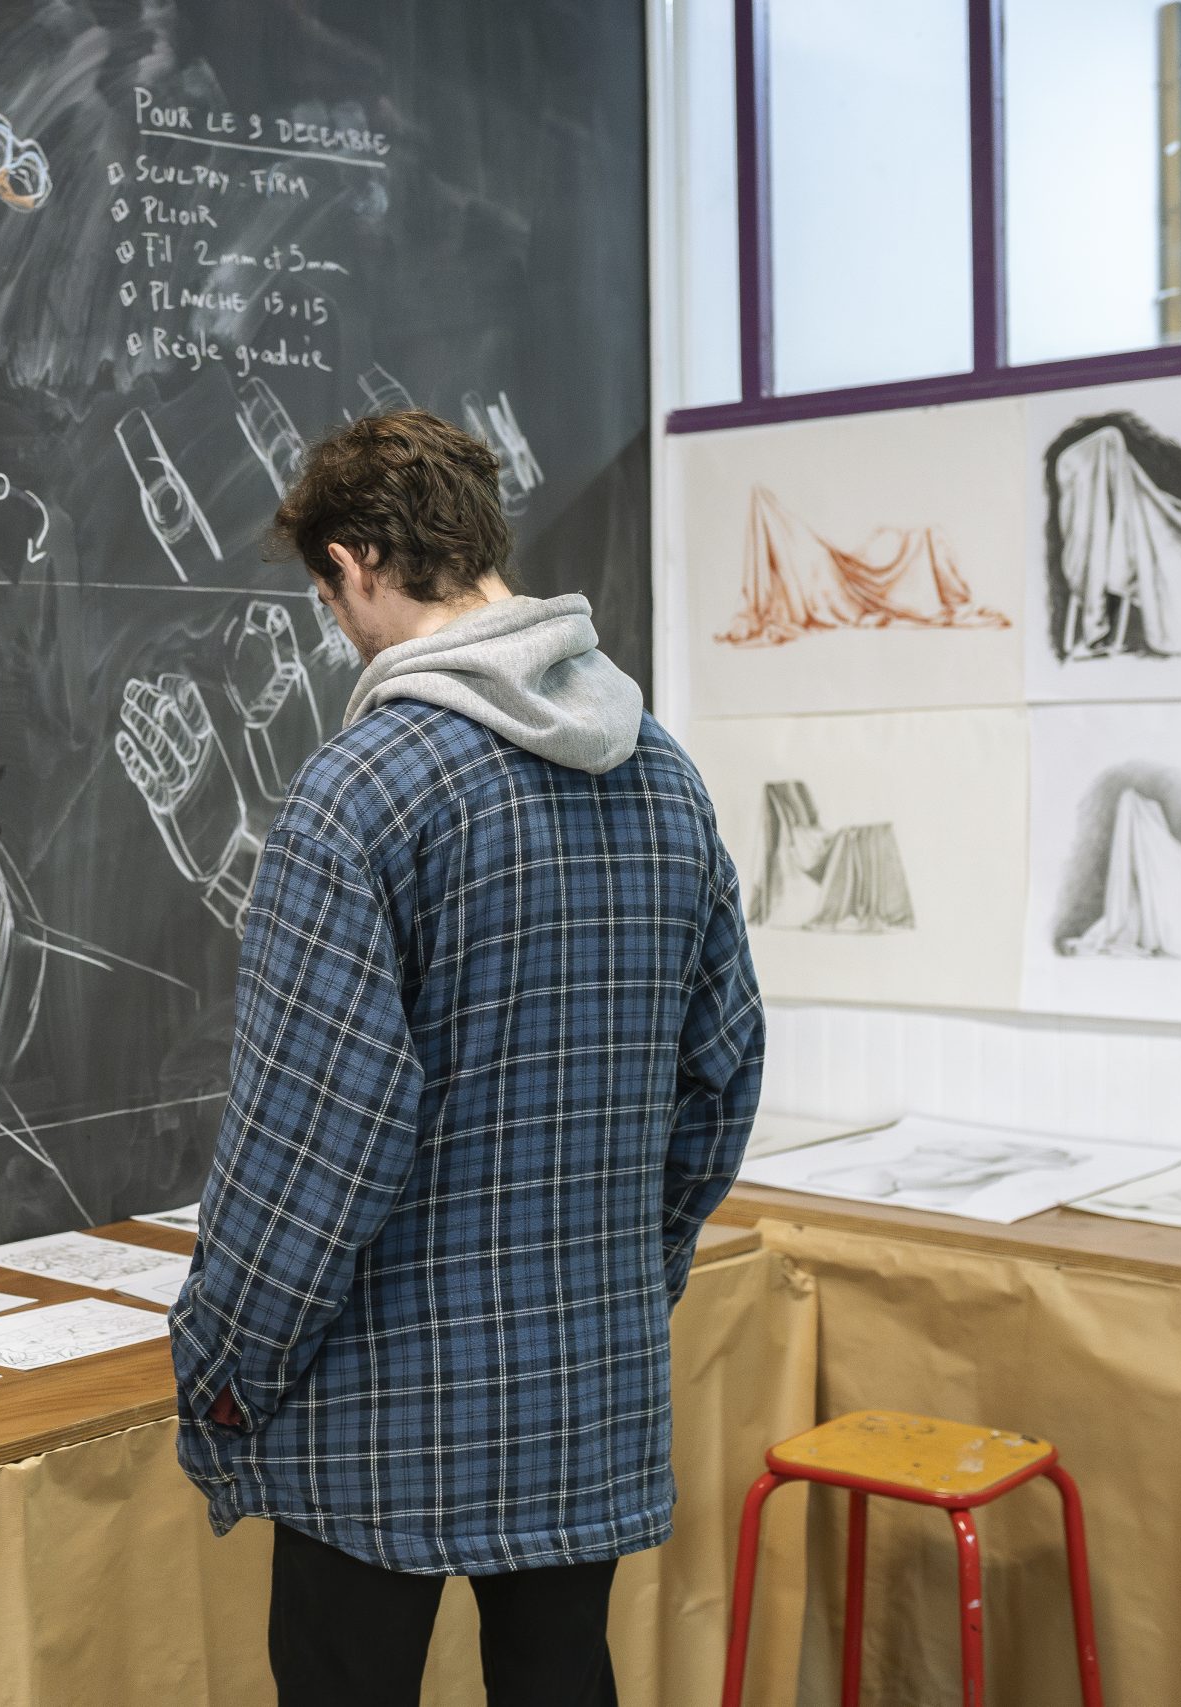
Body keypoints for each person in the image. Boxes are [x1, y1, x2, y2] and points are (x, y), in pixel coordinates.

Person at [168, 409, 763, 1706]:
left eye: (331, 593)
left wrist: (222, 1379)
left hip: (377, 1413)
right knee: (561, 1678)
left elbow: (309, 1155)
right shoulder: (664, 779)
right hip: (585, 1391)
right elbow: (720, 1082)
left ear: (361, 562)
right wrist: (626, 1278)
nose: (338, 627)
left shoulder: (358, 796)